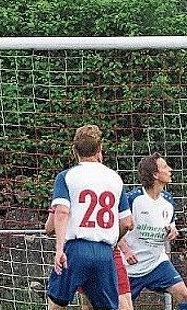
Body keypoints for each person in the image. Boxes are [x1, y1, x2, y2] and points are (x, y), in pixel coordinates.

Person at [46, 124, 134, 310]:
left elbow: (61, 212)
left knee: (56, 304)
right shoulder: (115, 178)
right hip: (104, 253)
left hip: (76, 250)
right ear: (100, 149)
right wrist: (111, 242)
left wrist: (59, 249)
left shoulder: (66, 176)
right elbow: (127, 222)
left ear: (74, 150)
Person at [118, 152, 187, 310]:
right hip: (129, 267)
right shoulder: (132, 199)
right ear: (155, 174)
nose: (170, 170)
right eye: (165, 167)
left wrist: (172, 230)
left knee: (183, 294)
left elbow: (171, 226)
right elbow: (112, 230)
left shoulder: (168, 200)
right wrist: (125, 251)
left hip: (156, 264)